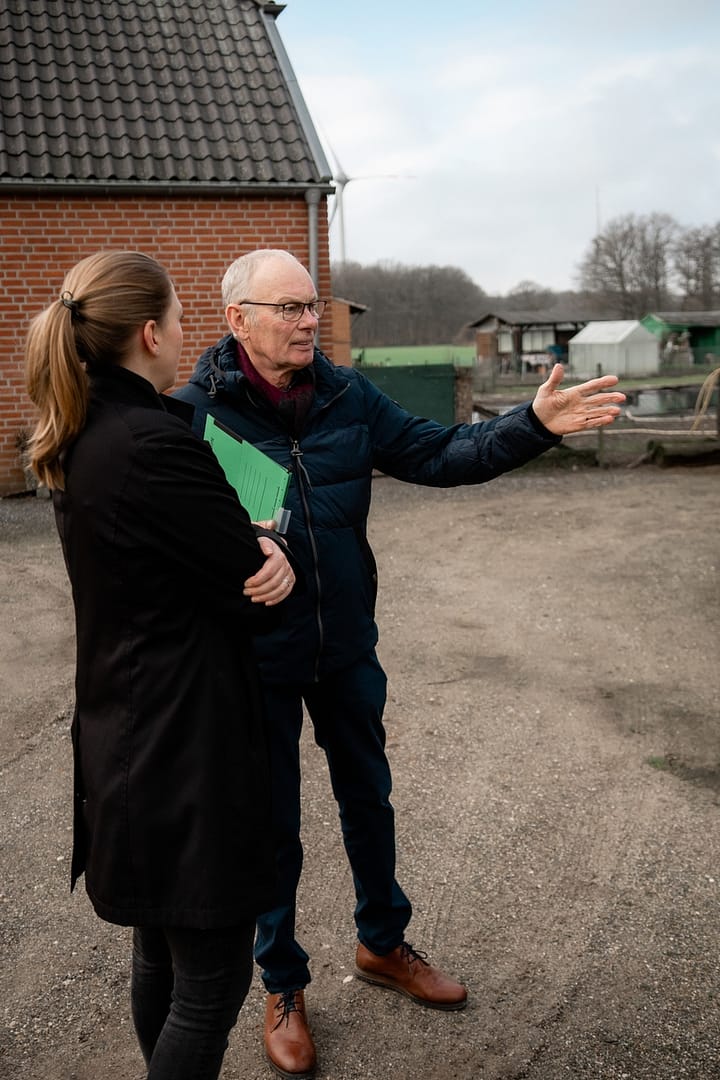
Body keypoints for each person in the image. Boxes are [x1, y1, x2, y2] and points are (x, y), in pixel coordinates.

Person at [174, 248, 626, 1079]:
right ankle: (282, 982)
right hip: (253, 658)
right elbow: (158, 535)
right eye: (288, 309)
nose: (309, 322)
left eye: (313, 306)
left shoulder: (348, 395)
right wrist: (231, 551)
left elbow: (438, 454)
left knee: (368, 797)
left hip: (345, 643)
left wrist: (533, 426)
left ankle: (382, 943)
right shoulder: (195, 413)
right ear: (237, 320)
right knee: (272, 824)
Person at [24, 250, 297, 1080]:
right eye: (181, 319)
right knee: (209, 985)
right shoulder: (151, 443)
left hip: (126, 729)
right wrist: (269, 545)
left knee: (161, 954)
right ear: (149, 333)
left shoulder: (87, 433)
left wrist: (248, 543)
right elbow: (243, 581)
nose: (187, 336)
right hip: (183, 746)